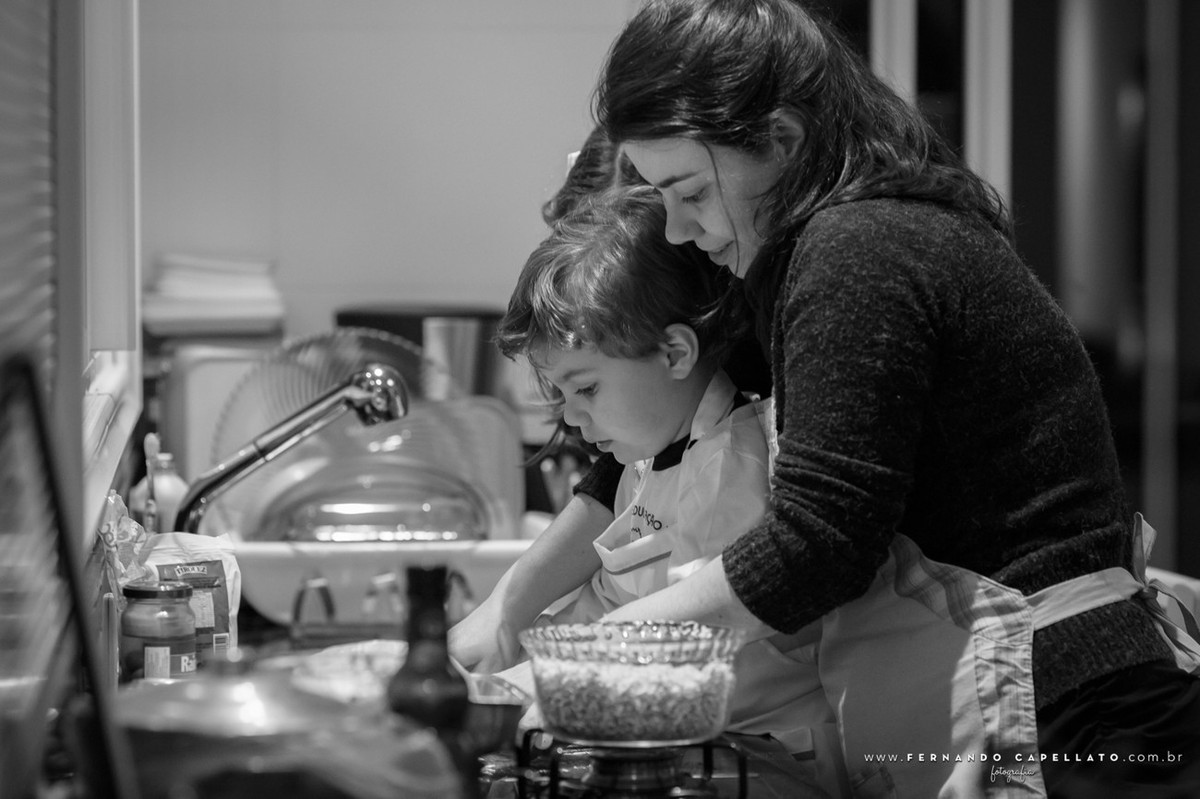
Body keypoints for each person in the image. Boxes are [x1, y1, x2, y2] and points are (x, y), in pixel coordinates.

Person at [487, 1, 1200, 797]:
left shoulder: (856, 254)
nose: (679, 230)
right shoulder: (817, 253)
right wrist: (513, 600)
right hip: (1028, 695)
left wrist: (608, 649)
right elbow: (668, 425)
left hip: (1068, 712)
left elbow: (819, 541)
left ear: (781, 141)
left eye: (688, 191)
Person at [473, 183, 847, 797]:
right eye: (562, 395)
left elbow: (683, 652)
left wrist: (536, 686)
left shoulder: (733, 466)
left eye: (586, 389)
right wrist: (504, 679)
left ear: (675, 352)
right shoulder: (649, 459)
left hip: (761, 763)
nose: (572, 418)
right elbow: (609, 603)